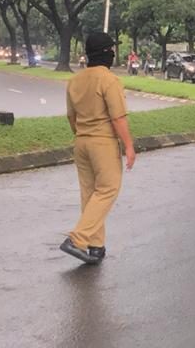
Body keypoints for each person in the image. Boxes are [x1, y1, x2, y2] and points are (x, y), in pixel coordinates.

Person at [60, 31, 135, 265]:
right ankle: (78, 238)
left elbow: (71, 117)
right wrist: (129, 146)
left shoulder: (75, 80)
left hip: (81, 141)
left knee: (90, 194)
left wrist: (81, 134)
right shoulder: (109, 80)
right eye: (112, 50)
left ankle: (96, 245)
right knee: (108, 190)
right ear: (106, 54)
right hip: (103, 142)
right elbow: (118, 118)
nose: (114, 53)